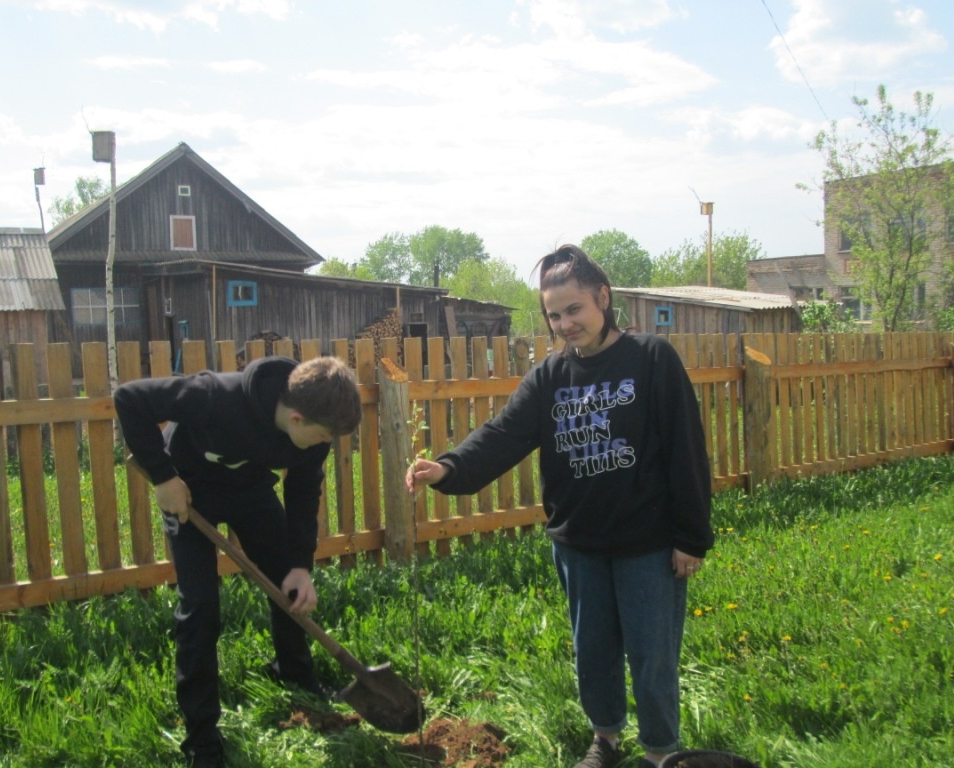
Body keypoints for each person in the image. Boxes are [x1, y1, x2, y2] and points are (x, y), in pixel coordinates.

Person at [406, 245, 713, 768]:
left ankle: (662, 751)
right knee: (592, 652)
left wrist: (690, 537)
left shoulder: (651, 359)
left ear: (603, 298)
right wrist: (450, 468)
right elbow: (503, 435)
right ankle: (606, 740)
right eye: (554, 314)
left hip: (648, 542)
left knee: (651, 653)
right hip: (579, 543)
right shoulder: (550, 378)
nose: (565, 323)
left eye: (574, 309)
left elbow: (687, 449)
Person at [114, 354, 362, 768]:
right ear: (297, 419)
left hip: (250, 491)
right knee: (201, 610)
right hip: (189, 494)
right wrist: (163, 477)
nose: (324, 445)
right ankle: (201, 738)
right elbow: (129, 398)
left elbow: (303, 493)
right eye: (321, 437)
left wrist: (300, 564)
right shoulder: (213, 396)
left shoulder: (312, 434)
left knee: (288, 583)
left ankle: (294, 672)